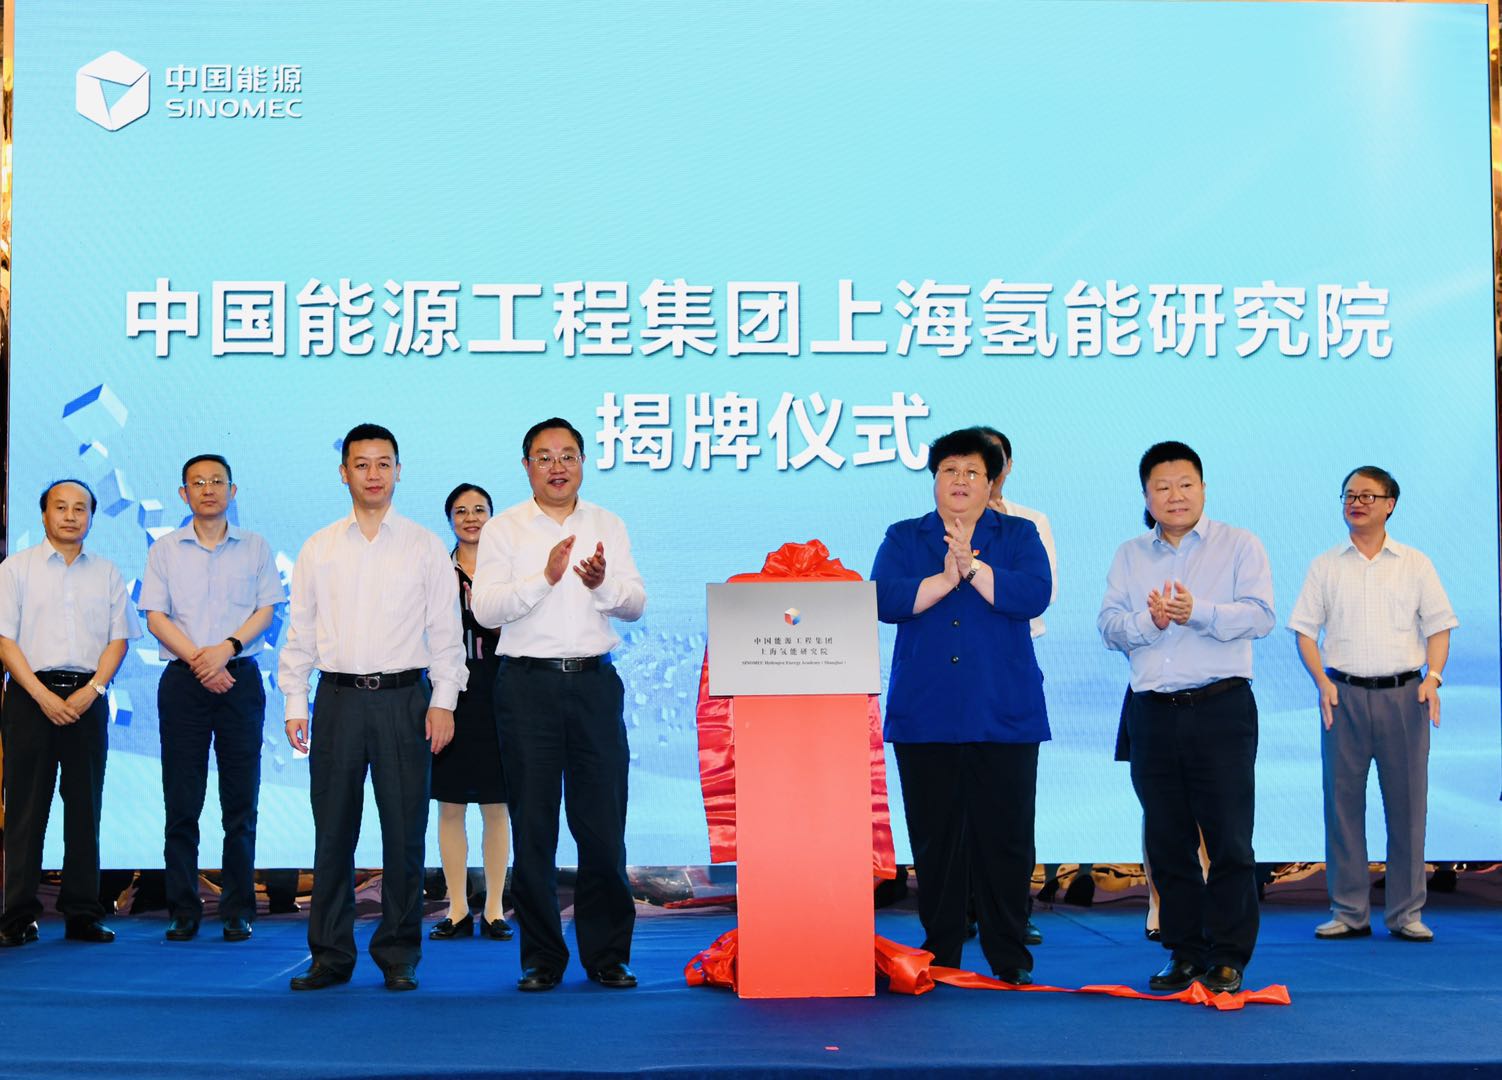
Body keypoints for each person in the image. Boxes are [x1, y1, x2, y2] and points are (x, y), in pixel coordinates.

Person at [279, 423, 467, 992]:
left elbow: (446, 633)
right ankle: (330, 955)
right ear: (344, 473)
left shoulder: (424, 546)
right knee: (332, 834)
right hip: (337, 700)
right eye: (361, 464)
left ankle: (399, 953)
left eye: (384, 463)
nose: (373, 474)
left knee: (404, 834)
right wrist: (294, 700)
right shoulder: (319, 547)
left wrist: (444, 702)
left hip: (405, 701)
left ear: (399, 471)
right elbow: (301, 630)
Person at [871, 428, 1051, 986]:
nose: (960, 481)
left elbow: (1034, 594)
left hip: (1004, 710)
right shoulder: (905, 536)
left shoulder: (1018, 534)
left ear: (992, 482)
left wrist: (972, 569)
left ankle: (1009, 954)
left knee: (1007, 838)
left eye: (973, 472)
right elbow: (881, 598)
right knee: (936, 839)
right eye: (949, 470)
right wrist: (944, 578)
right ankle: (942, 950)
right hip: (926, 712)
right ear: (934, 480)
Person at [471, 418, 646, 992]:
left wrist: (601, 585)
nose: (557, 466)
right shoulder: (504, 529)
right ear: (526, 466)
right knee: (534, 827)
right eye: (544, 457)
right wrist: (544, 579)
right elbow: (485, 610)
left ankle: (607, 955)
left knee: (603, 828)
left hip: (594, 686)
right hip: (528, 689)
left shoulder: (607, 524)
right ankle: (542, 958)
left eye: (567, 455)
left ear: (583, 462)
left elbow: (635, 603)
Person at [1097, 441, 1274, 995]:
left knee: (1229, 840)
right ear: (1146, 496)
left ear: (1203, 488)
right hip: (1152, 712)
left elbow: (1262, 616)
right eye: (1162, 487)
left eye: (1185, 484)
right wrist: (1148, 623)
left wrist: (1199, 613)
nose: (1175, 495)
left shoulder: (1240, 544)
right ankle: (1185, 950)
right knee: (1167, 840)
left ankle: (1228, 954)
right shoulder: (1129, 555)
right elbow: (1109, 627)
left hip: (1221, 708)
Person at [1287, 466, 1456, 943]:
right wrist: (1321, 680)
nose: (1356, 503)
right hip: (1342, 698)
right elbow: (1304, 632)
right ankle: (1348, 911)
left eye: (1367, 495)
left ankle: (1406, 913)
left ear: (1390, 504)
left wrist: (1434, 678)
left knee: (1408, 808)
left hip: (1405, 696)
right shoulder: (1326, 565)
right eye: (1349, 495)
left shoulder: (1415, 564)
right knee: (1342, 807)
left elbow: (1439, 626)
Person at [138, 454, 284, 943]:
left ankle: (238, 908)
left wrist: (226, 650)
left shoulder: (255, 547)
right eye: (197, 483)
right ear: (184, 494)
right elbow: (155, 616)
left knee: (240, 802)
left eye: (217, 481)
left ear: (232, 490)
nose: (208, 489)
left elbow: (267, 609)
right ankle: (183, 907)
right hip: (183, 683)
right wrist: (201, 662)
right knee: (182, 801)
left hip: (240, 679)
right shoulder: (165, 549)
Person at [0, 479, 140, 946]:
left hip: (87, 698)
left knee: (85, 809)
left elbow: (119, 639)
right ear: (44, 514)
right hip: (29, 697)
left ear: (92, 517)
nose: (70, 516)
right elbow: (5, 640)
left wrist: (93, 690)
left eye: (81, 508)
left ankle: (83, 912)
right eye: (61, 507)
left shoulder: (107, 573)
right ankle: (18, 915)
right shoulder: (15, 568)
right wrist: (41, 695)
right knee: (26, 810)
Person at [975, 425, 1058, 942]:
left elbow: (1041, 592)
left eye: (991, 460)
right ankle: (964, 907)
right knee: (957, 802)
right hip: (954, 673)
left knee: (1010, 803)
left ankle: (1012, 911)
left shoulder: (1029, 523)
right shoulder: (933, 527)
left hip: (1008, 668)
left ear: (1005, 468)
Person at [428, 483, 512, 942]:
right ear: (450, 520)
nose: (471, 517)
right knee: (451, 804)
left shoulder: (510, 572)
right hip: (450, 694)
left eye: (480, 509)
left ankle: (495, 909)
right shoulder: (437, 572)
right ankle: (457, 909)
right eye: (461, 511)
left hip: (502, 691)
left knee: (497, 805)